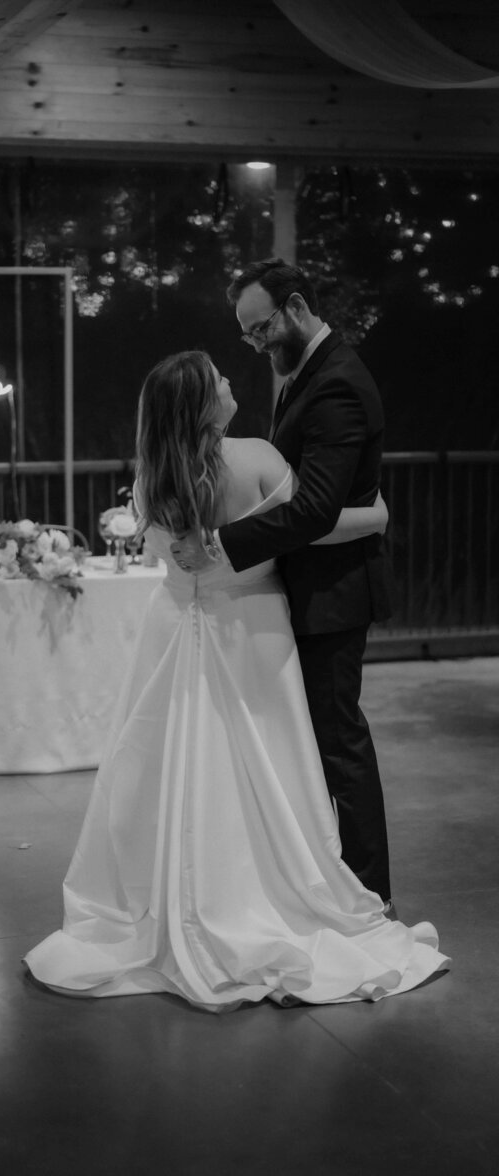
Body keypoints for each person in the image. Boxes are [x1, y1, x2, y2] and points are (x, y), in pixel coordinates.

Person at [24, 351, 448, 1012]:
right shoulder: (255, 459)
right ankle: (270, 889)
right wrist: (377, 513)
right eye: (219, 378)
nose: (230, 382)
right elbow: (312, 525)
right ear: (202, 404)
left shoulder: (149, 479)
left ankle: (168, 895)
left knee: (170, 768)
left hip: (173, 633)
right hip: (253, 634)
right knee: (270, 769)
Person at [171, 259, 394, 911]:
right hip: (312, 585)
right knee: (317, 745)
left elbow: (316, 507)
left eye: (260, 327)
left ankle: (373, 896)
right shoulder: (307, 375)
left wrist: (222, 544)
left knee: (338, 746)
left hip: (334, 593)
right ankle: (327, 881)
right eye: (246, 335)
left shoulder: (336, 385)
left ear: (295, 307)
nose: (255, 343)